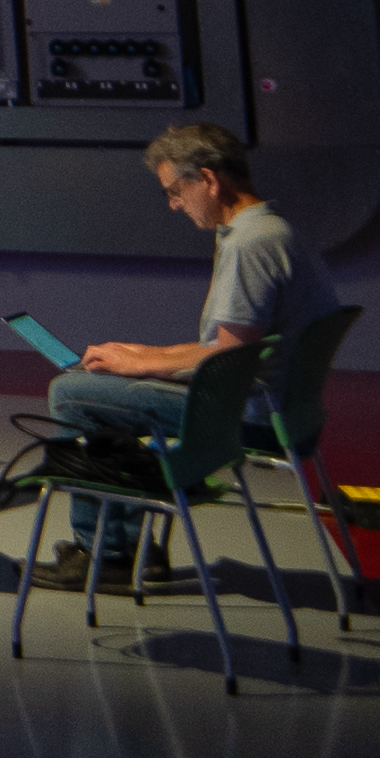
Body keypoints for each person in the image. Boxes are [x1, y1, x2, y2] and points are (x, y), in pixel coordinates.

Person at [39, 122, 338, 563]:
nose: (174, 205)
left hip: (245, 416)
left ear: (209, 179)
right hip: (280, 411)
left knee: (71, 393)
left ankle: (108, 553)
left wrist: (139, 365)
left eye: (175, 191)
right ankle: (125, 545)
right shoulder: (275, 230)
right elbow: (231, 344)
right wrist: (142, 354)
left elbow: (229, 356)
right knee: (105, 383)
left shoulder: (250, 245)